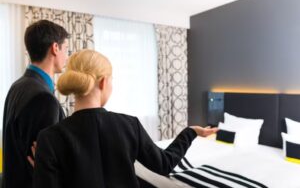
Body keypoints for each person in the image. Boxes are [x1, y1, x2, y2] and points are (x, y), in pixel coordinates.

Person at [32, 49, 218, 188]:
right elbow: (164, 164)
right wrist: (191, 132)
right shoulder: (129, 125)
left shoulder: (49, 137)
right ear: (104, 82)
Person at [2, 20, 69, 188]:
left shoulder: (18, 85)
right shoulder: (43, 99)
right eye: (66, 49)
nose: (67, 56)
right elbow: (45, 167)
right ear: (55, 48)